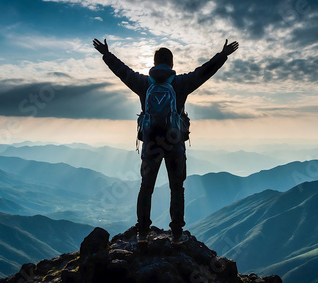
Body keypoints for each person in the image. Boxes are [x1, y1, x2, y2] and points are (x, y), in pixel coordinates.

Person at [93, 38, 238, 244]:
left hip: (151, 144)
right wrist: (223, 55)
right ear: (171, 64)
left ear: (154, 63)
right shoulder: (180, 83)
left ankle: (142, 233)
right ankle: (177, 235)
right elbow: (205, 71)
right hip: (174, 143)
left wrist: (106, 54)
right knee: (177, 188)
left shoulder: (143, 83)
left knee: (146, 187)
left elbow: (122, 71)